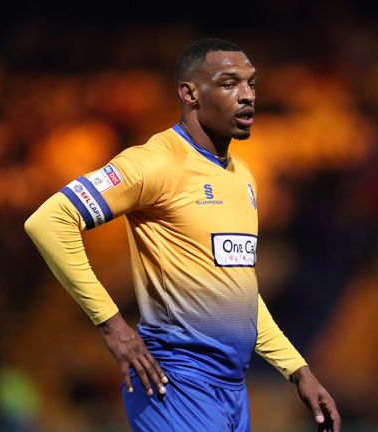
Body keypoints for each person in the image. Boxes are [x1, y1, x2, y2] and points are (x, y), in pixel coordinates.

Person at [24, 38, 340, 432]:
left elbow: (239, 291)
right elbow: (49, 221)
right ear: (190, 93)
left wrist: (298, 370)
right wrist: (113, 325)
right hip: (172, 378)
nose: (246, 96)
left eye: (251, 84)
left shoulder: (242, 178)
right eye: (229, 83)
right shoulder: (155, 163)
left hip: (230, 388)